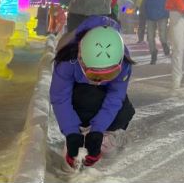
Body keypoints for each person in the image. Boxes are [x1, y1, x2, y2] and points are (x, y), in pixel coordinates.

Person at [50, 16, 135, 171]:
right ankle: (80, 132)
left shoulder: (124, 61)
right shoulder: (67, 58)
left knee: (125, 111)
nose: (99, 81)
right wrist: (71, 133)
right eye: (94, 75)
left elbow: (115, 97)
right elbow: (60, 97)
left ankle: (103, 134)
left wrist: (98, 130)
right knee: (87, 96)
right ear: (81, 59)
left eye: (108, 76)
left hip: (99, 99)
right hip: (79, 95)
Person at [127, 0, 171, 64]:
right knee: (150, 37)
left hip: (162, 12)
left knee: (162, 36)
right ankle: (153, 54)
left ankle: (165, 45)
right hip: (150, 11)